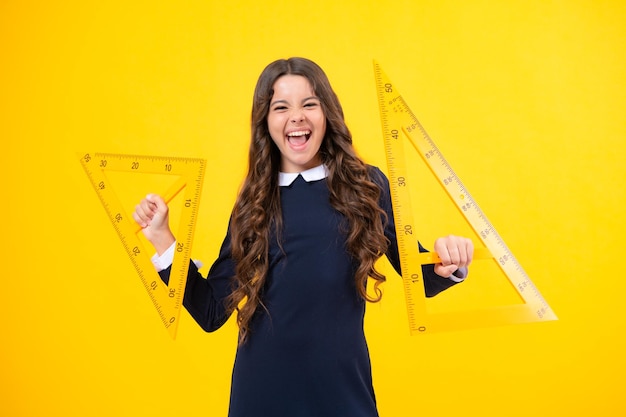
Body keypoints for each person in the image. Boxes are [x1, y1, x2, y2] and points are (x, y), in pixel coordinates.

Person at [133, 57, 473, 417]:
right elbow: (211, 311)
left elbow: (419, 278)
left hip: (342, 391)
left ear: (327, 113)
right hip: (261, 395)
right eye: (281, 107)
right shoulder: (253, 202)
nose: (296, 116)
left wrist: (448, 261)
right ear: (266, 121)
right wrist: (162, 239)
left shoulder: (366, 186)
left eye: (309, 104)